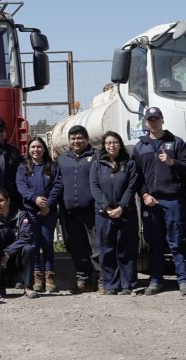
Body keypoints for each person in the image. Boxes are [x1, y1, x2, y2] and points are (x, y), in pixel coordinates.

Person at [133, 106, 186, 296]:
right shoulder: (140, 146)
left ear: (162, 120)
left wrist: (171, 162)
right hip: (151, 201)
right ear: (146, 122)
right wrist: (144, 194)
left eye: (156, 119)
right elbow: (137, 176)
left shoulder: (176, 142)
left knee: (177, 242)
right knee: (155, 243)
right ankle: (156, 281)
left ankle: (183, 281)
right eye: (150, 120)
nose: (153, 122)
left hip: (173, 200)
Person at [47, 125, 101, 293]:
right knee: (76, 248)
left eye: (80, 138)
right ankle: (83, 279)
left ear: (87, 139)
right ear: (68, 141)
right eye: (73, 138)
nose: (76, 141)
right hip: (69, 213)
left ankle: (101, 279)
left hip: (92, 212)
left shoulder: (97, 157)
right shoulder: (62, 159)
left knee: (97, 247)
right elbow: (56, 184)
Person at [89, 131, 140, 295]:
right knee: (107, 249)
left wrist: (121, 207)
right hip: (104, 214)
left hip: (126, 213)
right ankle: (111, 284)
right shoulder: (97, 164)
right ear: (104, 145)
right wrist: (106, 207)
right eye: (108, 143)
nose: (112, 145)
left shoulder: (129, 164)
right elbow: (94, 187)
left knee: (126, 249)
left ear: (120, 144)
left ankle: (127, 284)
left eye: (115, 142)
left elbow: (131, 188)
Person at [0, 187, 39, 299]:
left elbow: (26, 236)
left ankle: (28, 287)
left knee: (29, 248)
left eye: (1, 200)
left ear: (8, 200)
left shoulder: (22, 215)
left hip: (17, 257)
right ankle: (0, 286)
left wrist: (8, 252)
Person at [17, 137, 58, 293]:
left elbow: (57, 186)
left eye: (39, 147)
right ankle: (36, 276)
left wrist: (48, 204)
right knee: (33, 243)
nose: (36, 150)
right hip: (30, 211)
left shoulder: (52, 167)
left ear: (44, 149)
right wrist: (35, 199)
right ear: (28, 149)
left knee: (47, 242)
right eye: (33, 147)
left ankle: (49, 275)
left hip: (49, 211)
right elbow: (21, 186)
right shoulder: (23, 167)